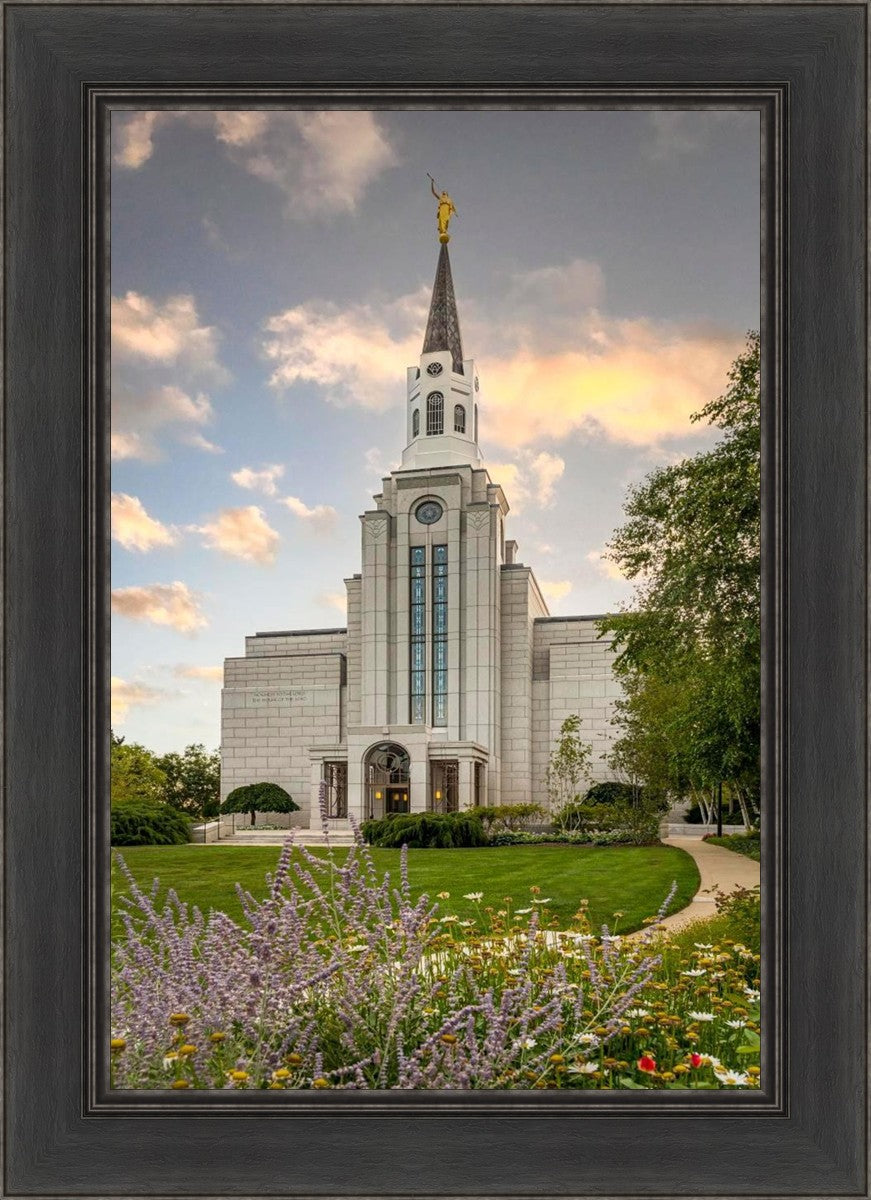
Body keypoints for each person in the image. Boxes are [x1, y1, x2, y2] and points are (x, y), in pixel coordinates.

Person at [429, 176, 457, 241]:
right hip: (442, 210)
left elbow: (452, 207)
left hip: (447, 210)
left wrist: (455, 212)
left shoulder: (449, 200)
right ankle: (443, 231)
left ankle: (445, 231)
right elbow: (433, 192)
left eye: (445, 192)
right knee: (441, 221)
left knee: (446, 220)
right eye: (443, 192)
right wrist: (432, 183)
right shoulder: (441, 198)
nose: (443, 193)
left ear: (447, 194)